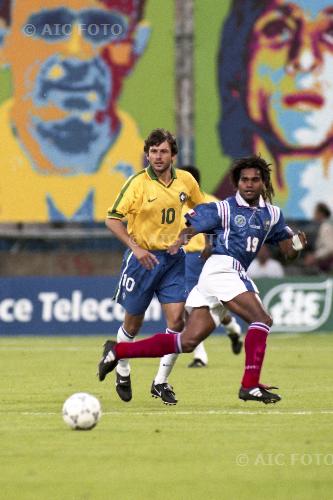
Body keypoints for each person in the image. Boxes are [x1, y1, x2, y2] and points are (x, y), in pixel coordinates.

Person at [98, 155, 307, 404]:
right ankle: (249, 385)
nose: (249, 184)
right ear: (237, 183)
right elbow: (195, 222)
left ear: (263, 183)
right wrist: (184, 236)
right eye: (244, 180)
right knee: (262, 319)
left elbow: (288, 253)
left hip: (220, 274)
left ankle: (118, 351)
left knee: (187, 341)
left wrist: (296, 245)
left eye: (255, 180)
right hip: (223, 268)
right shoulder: (224, 208)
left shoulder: (272, 214)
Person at [0, 0, 150, 221]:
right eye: (49, 27)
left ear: (135, 44)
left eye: (101, 28)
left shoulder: (187, 220)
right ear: (4, 42)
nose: (76, 53)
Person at [104, 128, 204, 405]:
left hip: (173, 261)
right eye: (153, 152)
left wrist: (186, 236)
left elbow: (203, 213)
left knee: (177, 322)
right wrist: (135, 249)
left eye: (163, 151)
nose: (158, 157)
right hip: (142, 261)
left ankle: (160, 382)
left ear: (173, 155)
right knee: (133, 324)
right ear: (147, 154)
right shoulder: (137, 183)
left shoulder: (186, 181)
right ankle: (122, 370)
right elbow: (112, 219)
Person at [215, 0, 333, 220]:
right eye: (278, 29)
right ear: (239, 68)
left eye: (331, 32)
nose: (305, 59)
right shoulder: (213, 221)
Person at [180, 165, 243, 368]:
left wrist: (212, 247)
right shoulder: (176, 203)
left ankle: (233, 329)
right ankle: (200, 356)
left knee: (216, 305)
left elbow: (225, 233)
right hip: (185, 259)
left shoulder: (213, 203)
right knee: (188, 306)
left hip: (210, 260)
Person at [303, 203, 333, 272]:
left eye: (315, 212)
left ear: (321, 214)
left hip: (327, 266)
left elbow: (330, 248)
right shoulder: (322, 226)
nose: (314, 215)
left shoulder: (326, 227)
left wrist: (314, 256)